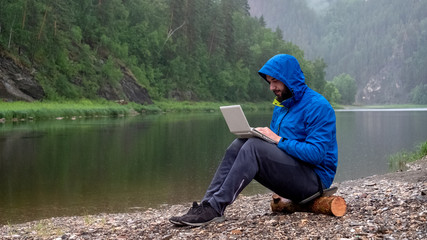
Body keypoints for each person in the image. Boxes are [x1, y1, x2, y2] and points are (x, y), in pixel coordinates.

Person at [169, 54, 338, 227]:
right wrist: (262, 136)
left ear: (289, 79)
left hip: (314, 181)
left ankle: (216, 207)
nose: (271, 87)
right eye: (269, 82)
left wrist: (278, 140)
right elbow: (276, 146)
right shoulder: (282, 107)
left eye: (275, 81)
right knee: (239, 144)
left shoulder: (318, 106)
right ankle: (207, 205)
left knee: (254, 147)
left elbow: (316, 154)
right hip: (294, 175)